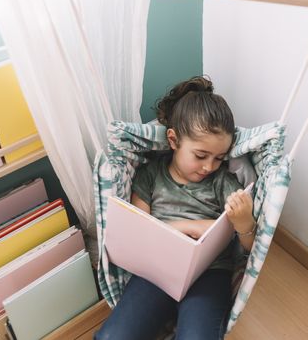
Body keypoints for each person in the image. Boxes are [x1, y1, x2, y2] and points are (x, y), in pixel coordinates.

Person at [94, 76, 257, 340]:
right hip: (157, 269)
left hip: (210, 272)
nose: (209, 167)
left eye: (219, 158)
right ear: (173, 140)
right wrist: (188, 227)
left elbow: (250, 247)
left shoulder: (222, 182)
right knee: (113, 337)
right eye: (201, 156)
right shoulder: (150, 175)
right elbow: (139, 231)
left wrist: (244, 223)